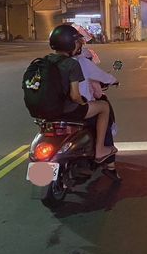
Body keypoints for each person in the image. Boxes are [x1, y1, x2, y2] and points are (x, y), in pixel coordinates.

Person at [48, 24, 117, 163]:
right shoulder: (77, 63)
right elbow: (75, 95)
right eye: (77, 42)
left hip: (51, 110)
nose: (79, 45)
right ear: (71, 44)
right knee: (104, 107)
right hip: (71, 110)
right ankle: (100, 151)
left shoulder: (46, 62)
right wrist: (83, 103)